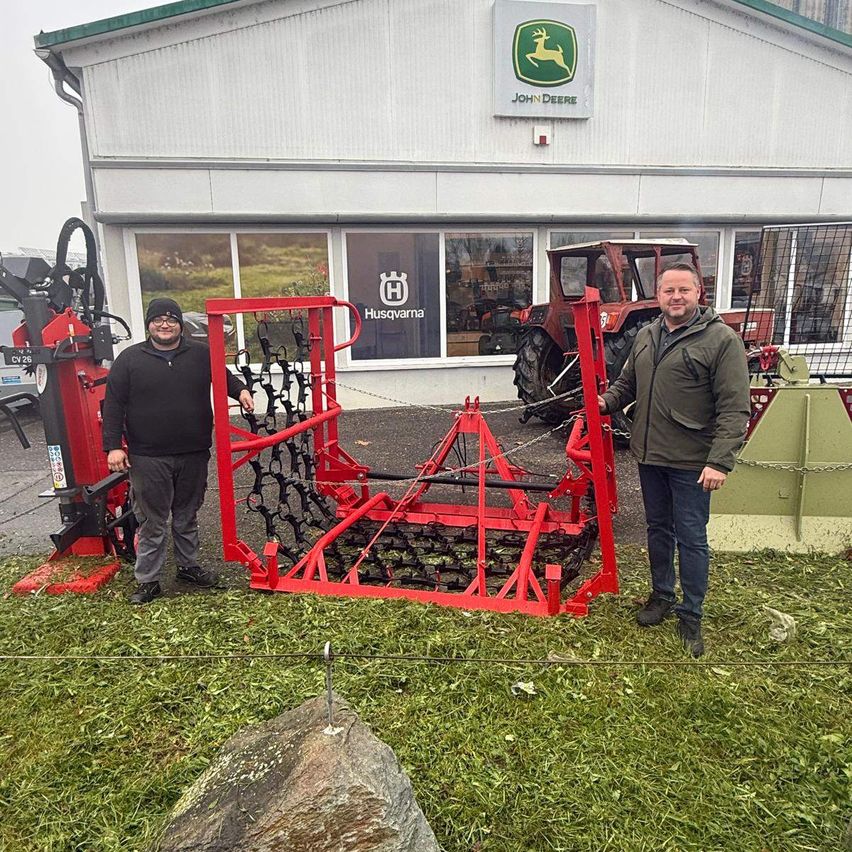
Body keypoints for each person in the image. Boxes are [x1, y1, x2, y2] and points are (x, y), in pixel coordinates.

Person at [598, 263, 750, 656]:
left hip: (692, 462)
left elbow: (735, 409)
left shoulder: (721, 341)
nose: (676, 297)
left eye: (684, 290)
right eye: (669, 291)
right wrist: (604, 403)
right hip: (650, 455)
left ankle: (691, 615)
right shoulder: (647, 334)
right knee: (658, 529)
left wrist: (719, 461)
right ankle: (662, 595)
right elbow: (627, 382)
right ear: (658, 295)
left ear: (699, 293)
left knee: (692, 538)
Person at [102, 297, 254, 605]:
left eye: (171, 319)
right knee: (152, 521)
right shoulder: (129, 360)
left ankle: (188, 567)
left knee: (187, 514)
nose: (165, 324)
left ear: (180, 324)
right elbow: (114, 405)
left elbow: (225, 378)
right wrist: (113, 447)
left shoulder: (200, 354)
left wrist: (241, 391)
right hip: (148, 456)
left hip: (193, 451)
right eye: (158, 319)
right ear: (149, 325)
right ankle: (148, 581)